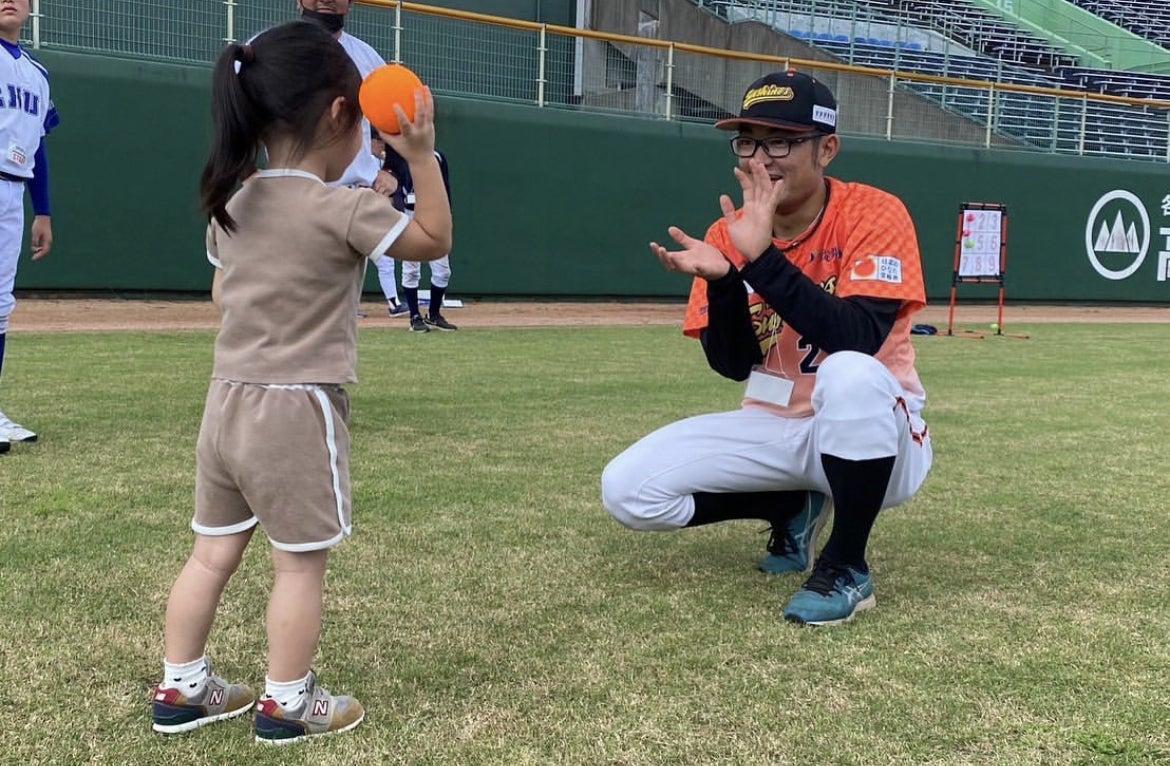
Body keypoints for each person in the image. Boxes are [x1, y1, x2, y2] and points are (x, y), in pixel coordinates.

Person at [150, 22, 451, 744]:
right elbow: (434, 241)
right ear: (342, 113)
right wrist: (419, 154)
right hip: (296, 409)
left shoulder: (234, 202)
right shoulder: (344, 207)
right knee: (298, 567)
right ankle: (287, 702)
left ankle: (181, 688)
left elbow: (223, 296)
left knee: (210, 555)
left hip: (226, 403)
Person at [600, 70, 932, 627]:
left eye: (781, 141)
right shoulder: (727, 233)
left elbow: (856, 337)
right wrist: (726, 284)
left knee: (849, 372)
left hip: (880, 438)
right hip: (776, 422)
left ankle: (846, 566)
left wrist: (762, 260)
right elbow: (734, 365)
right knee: (628, 489)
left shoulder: (875, 212)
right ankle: (789, 504)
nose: (762, 158)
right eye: (749, 141)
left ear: (827, 149)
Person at [296, 0, 406, 316]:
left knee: (337, 307)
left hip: (351, 196)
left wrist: (392, 169)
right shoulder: (267, 48)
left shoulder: (368, 59)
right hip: (291, 189)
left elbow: (396, 118)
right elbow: (239, 112)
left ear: (352, 4)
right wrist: (246, 170)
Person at [0, 0, 58, 454]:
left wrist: (44, 211)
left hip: (14, 192)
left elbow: (37, 147)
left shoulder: (38, 74)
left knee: (0, 305)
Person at [376, 140, 456, 332]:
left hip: (433, 214)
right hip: (409, 214)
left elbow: (445, 189)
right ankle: (414, 317)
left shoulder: (437, 157)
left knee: (443, 270)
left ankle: (434, 314)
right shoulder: (400, 158)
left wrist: (447, 215)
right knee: (411, 269)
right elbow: (396, 186)